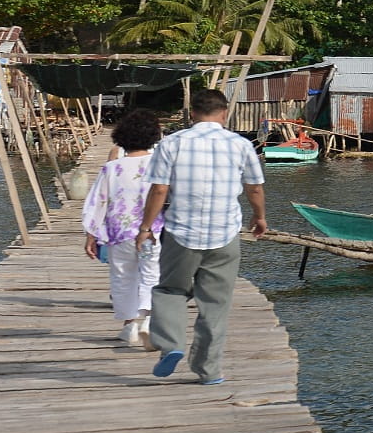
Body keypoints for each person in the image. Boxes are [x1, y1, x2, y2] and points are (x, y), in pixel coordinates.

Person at [136, 88, 267, 386]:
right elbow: (255, 187)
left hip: (181, 231)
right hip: (224, 234)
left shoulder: (171, 143)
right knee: (215, 304)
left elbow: (159, 190)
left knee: (170, 291)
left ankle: (172, 345)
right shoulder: (240, 144)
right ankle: (209, 371)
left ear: (192, 113)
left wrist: (145, 228)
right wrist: (259, 217)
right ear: (224, 114)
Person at [81, 109, 165, 347]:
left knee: (122, 277)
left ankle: (129, 325)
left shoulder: (111, 168)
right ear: (154, 137)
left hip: (119, 232)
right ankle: (148, 319)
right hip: (153, 231)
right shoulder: (159, 164)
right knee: (152, 274)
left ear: (121, 138)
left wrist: (91, 235)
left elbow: (97, 202)